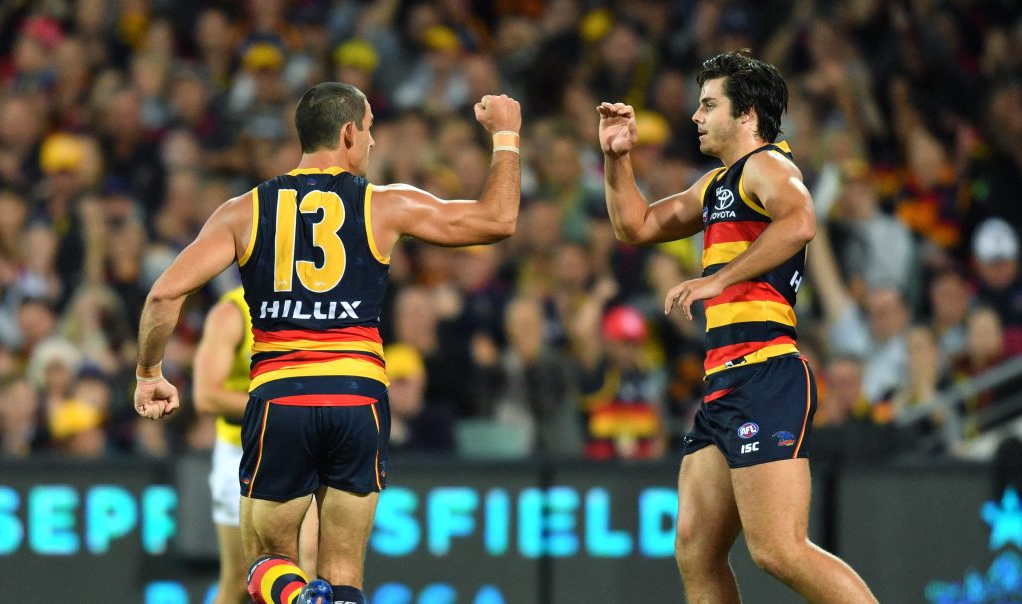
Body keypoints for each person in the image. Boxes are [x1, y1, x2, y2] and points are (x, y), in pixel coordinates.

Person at [133, 82, 521, 604]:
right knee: (344, 572)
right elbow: (497, 220)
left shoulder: (243, 210)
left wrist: (149, 373)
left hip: (282, 398)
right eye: (370, 130)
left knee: (266, 562)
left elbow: (163, 296)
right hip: (358, 399)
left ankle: (298, 599)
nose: (373, 143)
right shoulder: (384, 205)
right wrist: (506, 136)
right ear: (347, 133)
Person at [598, 51, 876, 602]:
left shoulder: (769, 165)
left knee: (778, 549)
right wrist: (617, 159)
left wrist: (716, 279)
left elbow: (801, 221)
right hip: (724, 383)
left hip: (765, 372)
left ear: (746, 113)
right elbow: (635, 225)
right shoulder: (717, 185)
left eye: (708, 105)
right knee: (696, 551)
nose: (695, 116)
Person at [193, 286, 319, 603]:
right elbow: (206, 396)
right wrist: (283, 407)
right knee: (239, 580)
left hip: (302, 449)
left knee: (309, 572)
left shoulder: (321, 303)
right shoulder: (233, 313)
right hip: (241, 451)